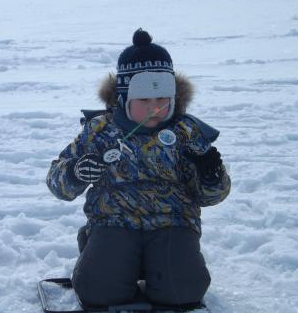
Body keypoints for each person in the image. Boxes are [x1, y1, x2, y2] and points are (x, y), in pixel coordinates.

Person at [46, 28, 231, 308]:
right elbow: (56, 181)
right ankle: (97, 252)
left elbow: (211, 197)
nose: (154, 108)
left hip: (173, 222)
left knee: (183, 292)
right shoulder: (100, 129)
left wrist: (212, 176)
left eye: (161, 100)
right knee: (97, 291)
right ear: (123, 98)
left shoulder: (187, 132)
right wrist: (74, 172)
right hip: (113, 221)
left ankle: (158, 266)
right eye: (144, 100)